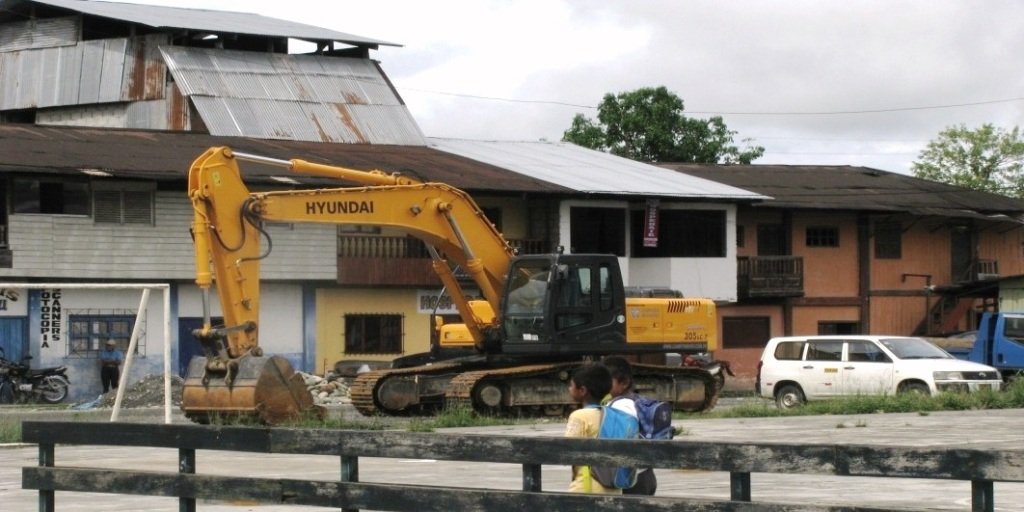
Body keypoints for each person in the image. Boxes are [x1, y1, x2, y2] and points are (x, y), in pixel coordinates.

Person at [602, 356, 658, 495]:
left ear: (624, 383)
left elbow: (620, 442)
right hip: (645, 473)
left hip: (631, 478)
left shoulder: (622, 405)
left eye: (607, 381)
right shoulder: (635, 400)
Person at [564, 363, 620, 494]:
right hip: (614, 488)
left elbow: (566, 451)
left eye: (571, 385)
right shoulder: (614, 414)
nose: (569, 389)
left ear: (582, 391)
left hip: (586, 487)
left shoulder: (580, 416)